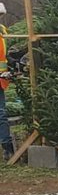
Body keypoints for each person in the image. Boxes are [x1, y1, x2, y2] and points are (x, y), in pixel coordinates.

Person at [0, 24, 13, 159]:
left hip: (1, 81)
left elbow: (2, 58)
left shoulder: (2, 32)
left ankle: (7, 146)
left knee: (1, 114)